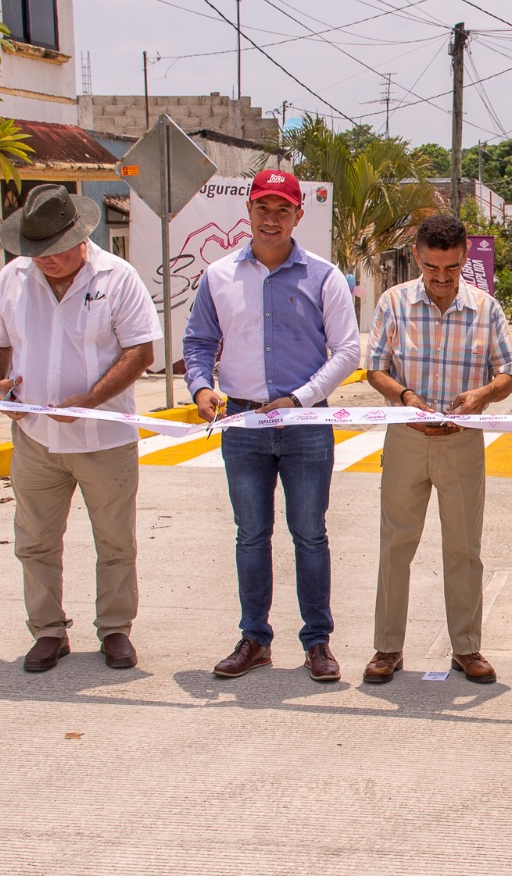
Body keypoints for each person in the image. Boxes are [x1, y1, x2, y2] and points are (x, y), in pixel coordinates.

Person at [183, 169, 360, 683]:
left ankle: (317, 642)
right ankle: (254, 639)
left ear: (298, 216)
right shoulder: (218, 276)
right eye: (264, 207)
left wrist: (300, 398)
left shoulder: (325, 276)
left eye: (283, 209)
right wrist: (201, 388)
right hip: (242, 422)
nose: (272, 219)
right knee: (251, 535)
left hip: (305, 423)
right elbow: (197, 344)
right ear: (249, 211)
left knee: (309, 534)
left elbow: (347, 351)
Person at [0, 184, 161, 672]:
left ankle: (115, 630)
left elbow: (141, 351)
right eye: (34, 252)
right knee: (34, 539)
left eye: (53, 251)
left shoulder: (118, 278)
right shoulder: (12, 278)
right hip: (35, 437)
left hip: (104, 439)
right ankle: (48, 631)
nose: (44, 261)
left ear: (80, 236)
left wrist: (92, 400)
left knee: (115, 540)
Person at [363, 213, 512, 685]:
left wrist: (482, 396)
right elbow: (374, 368)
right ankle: (387, 648)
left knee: (464, 549)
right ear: (417, 257)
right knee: (396, 544)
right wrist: (406, 396)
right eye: (432, 268)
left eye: (451, 268)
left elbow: (509, 374)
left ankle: (467, 649)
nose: (442, 278)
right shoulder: (393, 303)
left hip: (461, 441)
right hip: (407, 438)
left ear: (464, 257)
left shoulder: (485, 308)